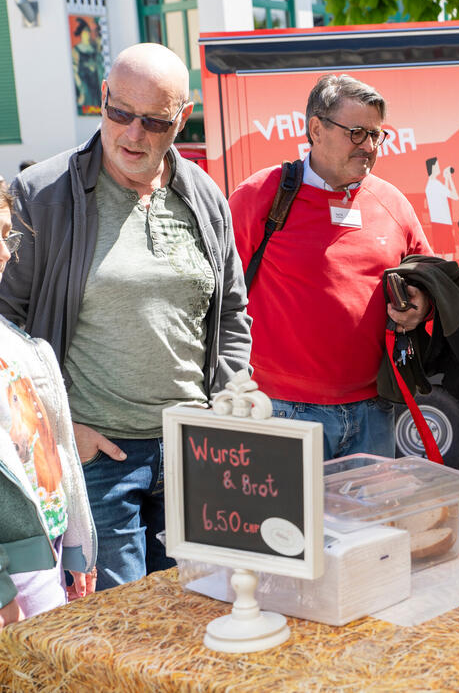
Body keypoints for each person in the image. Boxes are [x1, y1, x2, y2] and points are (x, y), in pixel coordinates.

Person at [0, 44, 252, 590]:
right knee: (123, 627)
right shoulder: (42, 194)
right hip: (100, 459)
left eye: (155, 121)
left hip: (198, 452)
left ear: (182, 120)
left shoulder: (204, 195)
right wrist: (69, 433)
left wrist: (227, 405)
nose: (133, 135)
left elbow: (232, 311)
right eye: (120, 114)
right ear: (102, 101)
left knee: (200, 609)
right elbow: (5, 336)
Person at [230, 74, 432, 460]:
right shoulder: (261, 195)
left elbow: (428, 277)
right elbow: (213, 294)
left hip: (375, 410)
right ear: (316, 129)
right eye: (357, 133)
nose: (369, 146)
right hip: (281, 411)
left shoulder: (392, 202)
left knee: (371, 523)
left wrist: (422, 306)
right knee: (289, 523)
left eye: (376, 135)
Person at [0, 187, 97, 628]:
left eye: (8, 236)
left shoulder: (10, 337)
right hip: (12, 569)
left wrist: (75, 544)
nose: (5, 253)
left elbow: (45, 441)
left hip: (45, 548)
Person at [424, 157, 459, 262]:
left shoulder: (431, 184)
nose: (439, 167)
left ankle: (441, 276)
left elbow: (445, 196)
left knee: (439, 252)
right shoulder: (435, 184)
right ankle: (447, 276)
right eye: (438, 165)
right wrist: (449, 178)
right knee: (448, 253)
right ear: (433, 167)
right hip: (443, 223)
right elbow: (455, 195)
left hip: (438, 223)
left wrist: (446, 179)